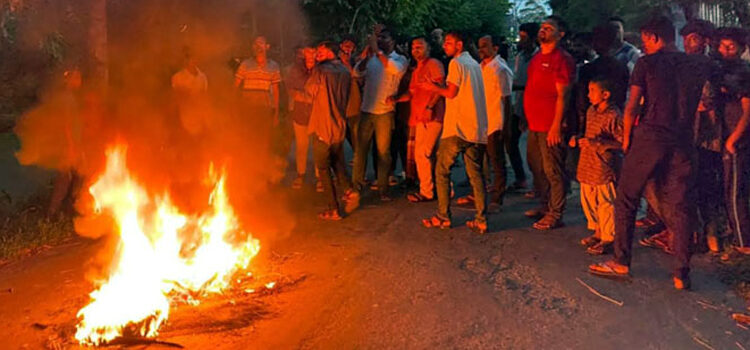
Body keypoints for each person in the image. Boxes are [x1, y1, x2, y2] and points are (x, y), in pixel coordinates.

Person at [589, 16, 713, 290]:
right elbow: (709, 97)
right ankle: (682, 273)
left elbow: (632, 106)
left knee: (626, 198)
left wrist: (626, 142)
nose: (643, 45)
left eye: (645, 39)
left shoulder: (646, 63)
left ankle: (621, 261)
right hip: (683, 140)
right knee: (680, 206)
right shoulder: (698, 63)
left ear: (656, 38)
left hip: (651, 136)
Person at [640, 19, 719, 253]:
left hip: (702, 140)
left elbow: (706, 104)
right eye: (685, 38)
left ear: (705, 41)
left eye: (693, 38)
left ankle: (691, 237)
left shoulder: (706, 66)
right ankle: (677, 231)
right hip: (682, 136)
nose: (687, 43)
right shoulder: (683, 63)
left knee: (692, 190)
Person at [419, 31, 489, 234]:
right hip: (476, 129)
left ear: (459, 45)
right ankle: (481, 219)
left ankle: (443, 217)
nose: (445, 46)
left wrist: (432, 87)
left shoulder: (456, 64)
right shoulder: (475, 65)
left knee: (441, 171)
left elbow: (451, 92)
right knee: (476, 175)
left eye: (448, 43)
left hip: (458, 128)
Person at [523, 16, 575, 230]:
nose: (543, 30)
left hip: (549, 126)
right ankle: (545, 205)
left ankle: (556, 213)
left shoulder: (562, 59)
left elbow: (564, 95)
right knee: (537, 168)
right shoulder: (536, 58)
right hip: (534, 124)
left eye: (548, 28)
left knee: (553, 170)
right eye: (542, 27)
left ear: (560, 34)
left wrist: (556, 125)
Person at [352, 24, 408, 201]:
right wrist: (367, 56)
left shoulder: (400, 60)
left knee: (383, 152)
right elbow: (356, 73)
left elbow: (393, 69)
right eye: (379, 39)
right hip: (366, 110)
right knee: (360, 151)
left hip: (385, 112)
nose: (381, 42)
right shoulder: (373, 58)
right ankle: (356, 186)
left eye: (384, 39)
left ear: (393, 42)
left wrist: (377, 52)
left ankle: (383, 188)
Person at [570, 78, 623, 255]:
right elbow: (587, 133)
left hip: (603, 166)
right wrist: (578, 139)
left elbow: (622, 142)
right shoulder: (591, 111)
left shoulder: (614, 115)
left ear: (605, 94)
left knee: (606, 203)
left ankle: (609, 237)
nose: (588, 94)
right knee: (589, 200)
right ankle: (598, 231)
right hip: (587, 164)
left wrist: (599, 143)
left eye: (592, 90)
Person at [389, 36, 445, 202]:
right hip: (420, 117)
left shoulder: (434, 64)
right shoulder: (417, 69)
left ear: (428, 49)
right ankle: (431, 188)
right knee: (423, 155)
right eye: (413, 47)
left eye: (420, 47)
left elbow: (440, 87)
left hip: (432, 117)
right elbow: (412, 93)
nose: (416, 50)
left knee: (423, 154)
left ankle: (428, 191)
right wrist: (397, 99)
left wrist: (430, 107)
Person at [305, 41, 354, 220]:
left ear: (330, 52)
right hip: (338, 124)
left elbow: (310, 92)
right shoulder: (344, 71)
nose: (317, 54)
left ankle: (333, 208)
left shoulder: (321, 71)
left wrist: (311, 70)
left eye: (320, 51)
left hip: (322, 126)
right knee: (337, 161)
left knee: (323, 168)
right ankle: (349, 190)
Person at [712, 27, 750, 258]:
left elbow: (748, 110)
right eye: (722, 46)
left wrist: (733, 140)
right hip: (724, 136)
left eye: (731, 47)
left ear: (742, 48)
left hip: (737, 140)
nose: (725, 51)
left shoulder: (744, 73)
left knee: (735, 190)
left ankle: (744, 242)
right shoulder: (722, 70)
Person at [478, 35, 514, 208]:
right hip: (482, 122)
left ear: (496, 48)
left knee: (497, 162)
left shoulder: (500, 69)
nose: (481, 49)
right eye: (480, 46)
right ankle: (483, 195)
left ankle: (497, 198)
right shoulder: (482, 67)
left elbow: (507, 100)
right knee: (482, 161)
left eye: (485, 46)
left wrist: (506, 127)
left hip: (495, 122)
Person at [510, 22, 539, 193]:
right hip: (519, 105)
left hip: (533, 107)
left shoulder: (538, 57)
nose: (521, 41)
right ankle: (521, 177)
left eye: (524, 37)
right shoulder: (521, 56)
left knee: (535, 150)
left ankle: (538, 184)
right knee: (511, 142)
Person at [285, 46, 318, 190]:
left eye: (313, 53)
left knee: (318, 146)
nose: (310, 56)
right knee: (301, 146)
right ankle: (300, 174)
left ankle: (321, 177)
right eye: (307, 53)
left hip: (317, 113)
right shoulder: (296, 70)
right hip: (300, 112)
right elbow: (290, 88)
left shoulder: (321, 70)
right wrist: (302, 96)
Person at [234, 35, 282, 134]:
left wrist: (276, 114)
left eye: (261, 43)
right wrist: (234, 109)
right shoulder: (245, 64)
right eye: (255, 43)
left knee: (263, 138)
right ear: (253, 47)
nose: (258, 46)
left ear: (267, 47)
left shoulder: (274, 66)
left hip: (265, 110)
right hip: (248, 109)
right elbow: (235, 86)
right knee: (248, 138)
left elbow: (276, 92)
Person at [172, 51, 209, 135]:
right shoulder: (178, 77)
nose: (192, 61)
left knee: (198, 133)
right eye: (189, 59)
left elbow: (204, 95)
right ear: (185, 61)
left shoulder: (202, 77)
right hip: (184, 111)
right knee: (184, 133)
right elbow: (175, 95)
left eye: (194, 59)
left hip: (198, 111)